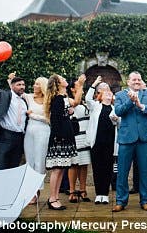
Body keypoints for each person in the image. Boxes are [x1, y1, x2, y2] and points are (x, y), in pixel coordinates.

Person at [113, 71, 147, 212]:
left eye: (139, 79)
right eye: (134, 79)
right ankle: (121, 201)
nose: (137, 82)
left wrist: (141, 106)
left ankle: (145, 200)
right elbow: (118, 111)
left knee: (145, 171)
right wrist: (130, 101)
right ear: (128, 82)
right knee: (122, 171)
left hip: (145, 138)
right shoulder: (121, 95)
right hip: (127, 137)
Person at [45, 73, 84, 210]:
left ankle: (55, 197)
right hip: (60, 139)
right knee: (56, 170)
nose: (65, 79)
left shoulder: (64, 98)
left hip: (66, 137)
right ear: (57, 83)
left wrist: (69, 113)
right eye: (63, 79)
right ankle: (52, 198)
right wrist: (59, 138)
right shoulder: (57, 99)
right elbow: (55, 121)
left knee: (61, 169)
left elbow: (65, 113)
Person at [85, 77, 117, 205]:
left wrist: (116, 120)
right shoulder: (95, 106)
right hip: (96, 142)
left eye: (109, 90)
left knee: (108, 168)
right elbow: (87, 98)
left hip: (110, 142)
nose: (108, 91)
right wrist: (94, 84)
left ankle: (105, 194)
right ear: (100, 94)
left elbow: (119, 123)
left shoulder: (115, 108)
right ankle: (99, 194)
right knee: (97, 168)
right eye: (105, 90)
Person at [23, 76, 50, 203]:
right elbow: (14, 92)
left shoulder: (48, 99)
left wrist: (32, 115)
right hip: (29, 131)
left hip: (43, 131)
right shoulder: (28, 97)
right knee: (30, 161)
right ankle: (30, 190)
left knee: (39, 161)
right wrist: (10, 79)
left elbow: (48, 119)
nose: (34, 86)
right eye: (34, 83)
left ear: (42, 86)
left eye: (37, 84)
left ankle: (36, 191)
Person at [68, 78, 91, 203]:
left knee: (84, 164)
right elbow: (75, 104)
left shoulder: (85, 101)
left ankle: (83, 190)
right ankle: (72, 191)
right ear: (72, 89)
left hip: (85, 136)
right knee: (74, 164)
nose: (81, 86)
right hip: (75, 136)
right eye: (78, 85)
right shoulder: (69, 100)